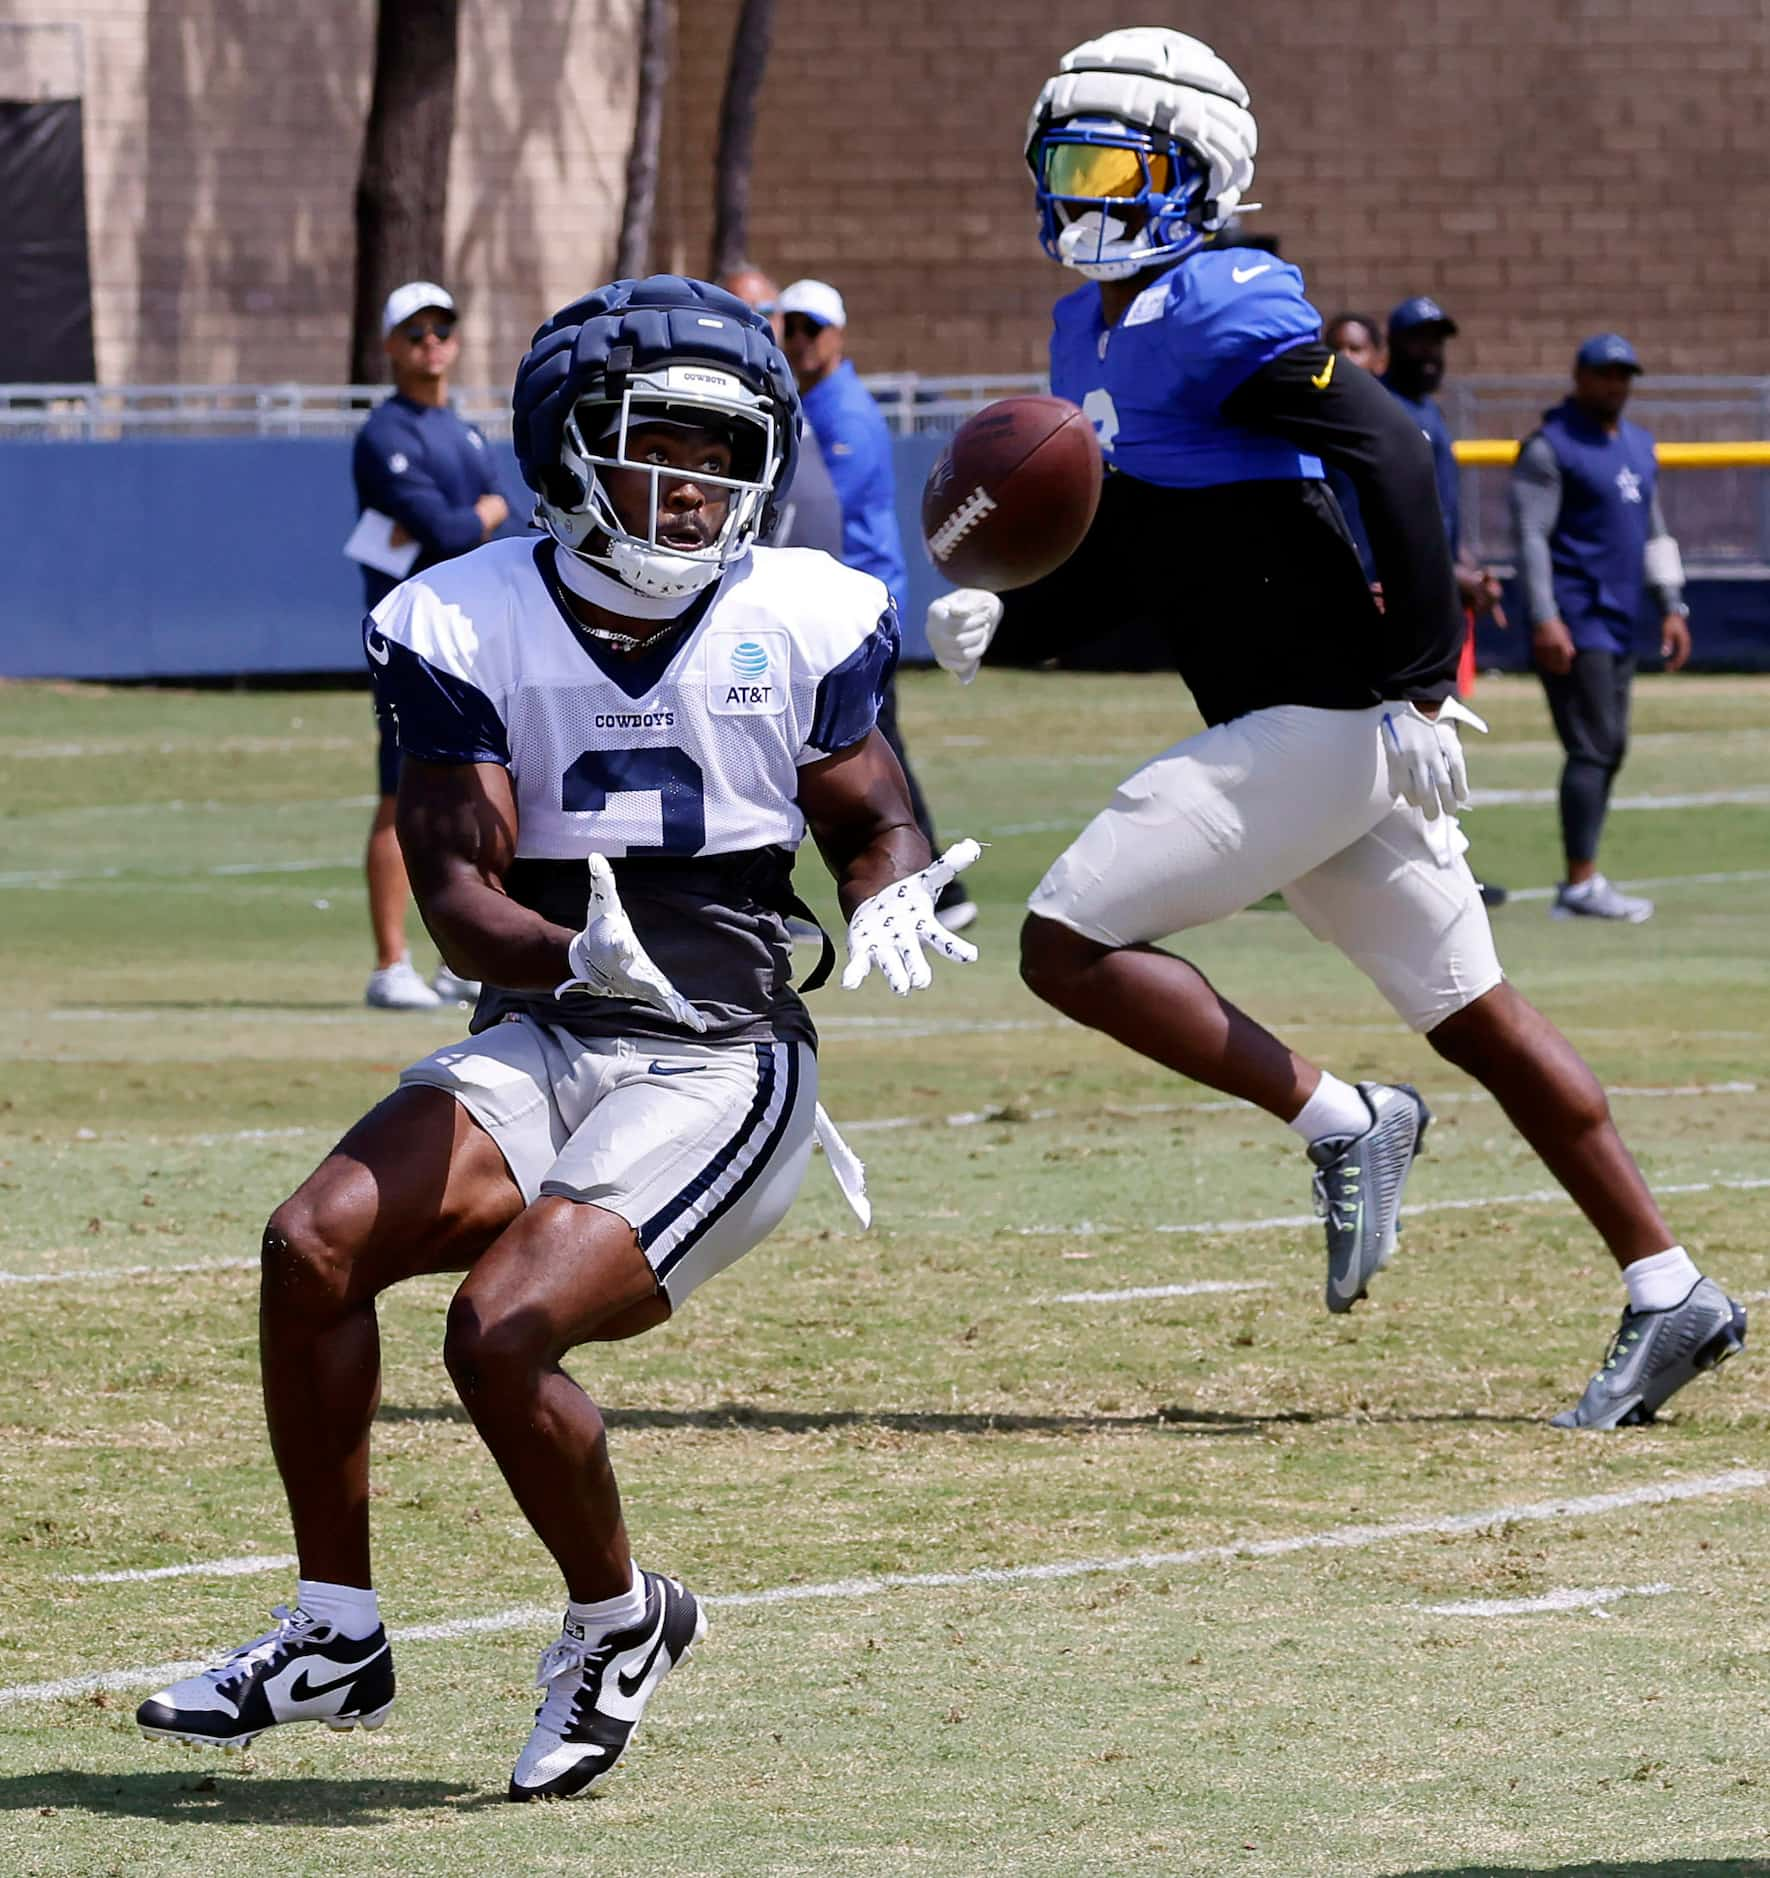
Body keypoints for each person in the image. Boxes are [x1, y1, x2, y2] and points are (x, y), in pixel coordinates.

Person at [136, 276, 979, 1798]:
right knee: (312, 1243)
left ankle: (619, 1618)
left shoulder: (799, 607)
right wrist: (570, 954)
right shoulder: (462, 613)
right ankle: (335, 1628)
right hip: (548, 1015)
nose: (696, 485)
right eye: (660, 445)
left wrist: (897, 885)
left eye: (724, 455)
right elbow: (456, 886)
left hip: (724, 1051)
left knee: (501, 1327)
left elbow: (870, 813)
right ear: (566, 448)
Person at [923, 26, 1746, 1428]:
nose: (1082, 190)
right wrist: (1022, 617)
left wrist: (1425, 677)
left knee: (1064, 942)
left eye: (1112, 161)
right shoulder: (1091, 327)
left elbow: (1394, 447)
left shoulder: (1220, 302)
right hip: (1292, 726)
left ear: (1199, 174)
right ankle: (1669, 1285)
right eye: (1063, 162)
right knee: (1474, 1016)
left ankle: (1340, 1118)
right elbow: (1145, 549)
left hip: (1322, 716)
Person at [776, 277, 978, 935]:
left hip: (852, 613)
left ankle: (938, 888)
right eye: (791, 329)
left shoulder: (844, 413)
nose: (799, 342)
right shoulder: (816, 406)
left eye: (811, 328)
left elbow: (818, 515)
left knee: (868, 754)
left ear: (837, 335)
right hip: (836, 609)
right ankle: (934, 888)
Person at [351, 280, 509, 1010]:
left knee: (485, 791)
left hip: (474, 640)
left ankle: (464, 957)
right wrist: (482, 509)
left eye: (441, 329)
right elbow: (448, 529)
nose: (431, 344)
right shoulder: (384, 433)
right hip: (413, 643)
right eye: (415, 333)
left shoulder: (466, 430)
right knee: (399, 797)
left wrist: (477, 511)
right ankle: (391, 965)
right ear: (390, 345)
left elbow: (490, 509)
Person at [1330, 302, 1508, 907]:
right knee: (1396, 733)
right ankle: (1416, 871)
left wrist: (1460, 577)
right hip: (1378, 602)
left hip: (1423, 602)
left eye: (1437, 339)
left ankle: (1427, 865)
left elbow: (1437, 522)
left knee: (1423, 734)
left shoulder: (1429, 412)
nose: (1429, 352)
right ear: (1389, 352)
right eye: (1416, 340)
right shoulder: (1366, 414)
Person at [1511, 332, 1692, 922]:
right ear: (1580, 377)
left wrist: (1672, 602)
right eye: (1604, 374)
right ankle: (1579, 884)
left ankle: (1582, 880)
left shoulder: (1639, 444)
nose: (1615, 385)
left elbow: (1654, 527)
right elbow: (1531, 536)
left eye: (1624, 375)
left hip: (1619, 614)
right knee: (1594, 745)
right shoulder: (1551, 446)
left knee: (1609, 746)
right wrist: (1544, 617)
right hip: (1575, 612)